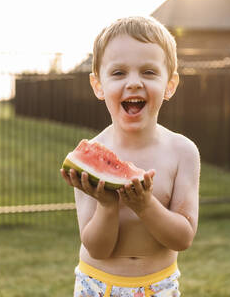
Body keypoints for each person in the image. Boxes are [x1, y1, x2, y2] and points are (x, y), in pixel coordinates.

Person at [60, 16, 200, 297]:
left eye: (148, 72)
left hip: (158, 286)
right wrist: (107, 206)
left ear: (170, 84)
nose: (134, 82)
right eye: (119, 73)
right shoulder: (86, 157)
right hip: (97, 284)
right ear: (98, 85)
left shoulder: (183, 152)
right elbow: (97, 248)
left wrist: (145, 205)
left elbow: (183, 237)